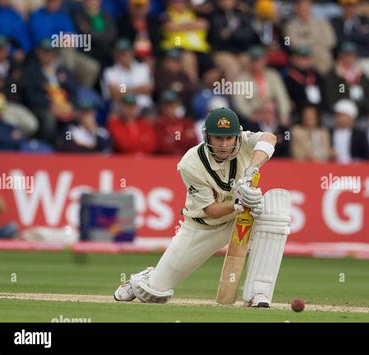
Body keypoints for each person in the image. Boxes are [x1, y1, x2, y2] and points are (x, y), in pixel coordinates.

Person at [114, 107, 290, 308]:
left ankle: (259, 292)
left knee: (273, 212)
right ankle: (145, 278)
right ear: (207, 137)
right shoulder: (190, 163)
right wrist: (239, 204)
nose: (224, 145)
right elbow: (211, 210)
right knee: (153, 293)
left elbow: (269, 138)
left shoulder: (244, 141)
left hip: (240, 217)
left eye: (229, 139)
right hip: (203, 227)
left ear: (237, 136)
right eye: (218, 139)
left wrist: (251, 171)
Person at [283, 0, 336, 76]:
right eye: (302, 6)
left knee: (326, 59)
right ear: (296, 8)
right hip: (303, 58)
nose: (305, 9)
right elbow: (290, 43)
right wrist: (316, 42)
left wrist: (306, 42)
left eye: (307, 5)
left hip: (322, 58)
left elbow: (331, 41)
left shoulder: (322, 22)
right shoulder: (289, 26)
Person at [154, 90, 198, 155]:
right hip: (165, 159)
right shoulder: (158, 124)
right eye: (166, 105)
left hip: (185, 158)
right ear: (161, 106)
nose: (169, 108)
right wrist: (183, 138)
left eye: (172, 104)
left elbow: (194, 142)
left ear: (177, 104)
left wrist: (172, 140)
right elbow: (161, 146)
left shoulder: (187, 123)